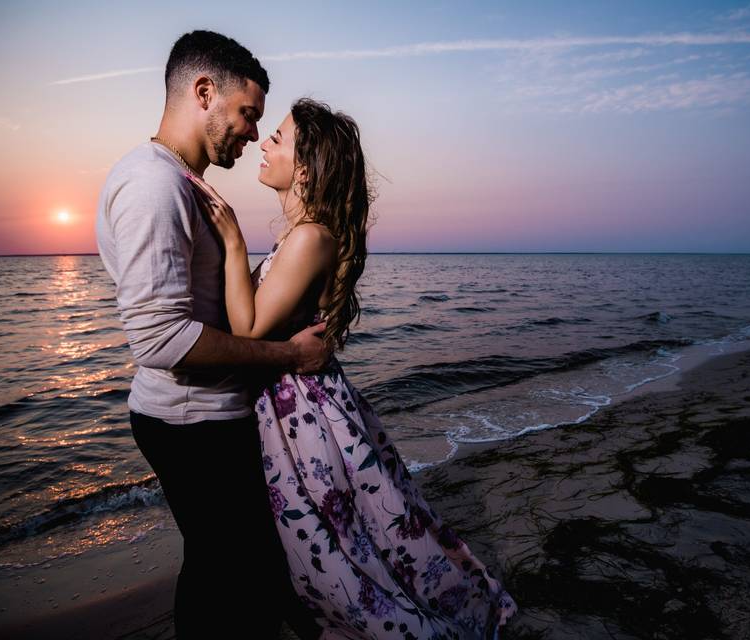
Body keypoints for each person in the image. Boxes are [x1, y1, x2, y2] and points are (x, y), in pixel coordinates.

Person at [187, 97, 518, 639]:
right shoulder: (305, 235)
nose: (264, 144)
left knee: (340, 551)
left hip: (305, 415)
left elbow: (246, 329)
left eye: (277, 136)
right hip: (302, 405)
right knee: (355, 541)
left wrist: (230, 240)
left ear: (304, 166)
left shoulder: (311, 236)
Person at [95, 31, 327, 640]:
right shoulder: (154, 185)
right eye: (249, 114)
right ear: (204, 93)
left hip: (207, 416)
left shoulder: (182, 182)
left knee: (229, 570)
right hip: (191, 422)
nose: (254, 133)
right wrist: (286, 354)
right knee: (231, 580)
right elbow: (161, 340)